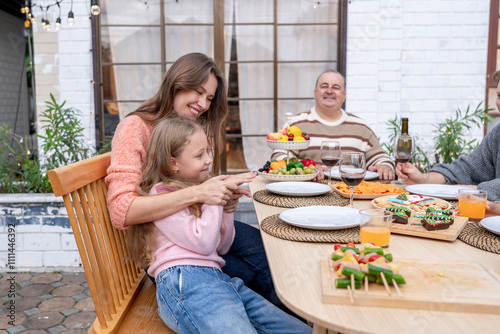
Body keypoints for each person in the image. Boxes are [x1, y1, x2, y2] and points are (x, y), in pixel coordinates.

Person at [105, 53, 283, 310]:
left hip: (198, 228)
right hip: (168, 250)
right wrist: (201, 193)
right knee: (257, 274)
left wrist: (223, 196)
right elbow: (122, 211)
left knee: (271, 253)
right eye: (198, 92)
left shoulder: (190, 128)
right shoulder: (136, 127)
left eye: (209, 98)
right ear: (177, 83)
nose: (203, 103)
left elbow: (200, 188)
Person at [128, 116, 312, 334]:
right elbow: (203, 243)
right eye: (199, 155)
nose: (208, 160)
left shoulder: (197, 190)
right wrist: (214, 196)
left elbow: (221, 246)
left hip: (219, 279)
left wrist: (225, 208)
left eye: (208, 152)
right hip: (185, 281)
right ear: (173, 163)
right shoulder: (161, 194)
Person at [396, 71, 500, 215]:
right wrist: (423, 179)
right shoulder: (497, 134)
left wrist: (479, 189)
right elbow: (465, 169)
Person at [271, 69, 395, 180]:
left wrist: (384, 166)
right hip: (308, 191)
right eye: (324, 86)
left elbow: (380, 156)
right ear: (315, 93)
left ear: (344, 96)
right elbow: (279, 157)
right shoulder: (295, 124)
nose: (329, 91)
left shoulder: (361, 127)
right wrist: (306, 167)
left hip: (351, 192)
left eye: (336, 87)